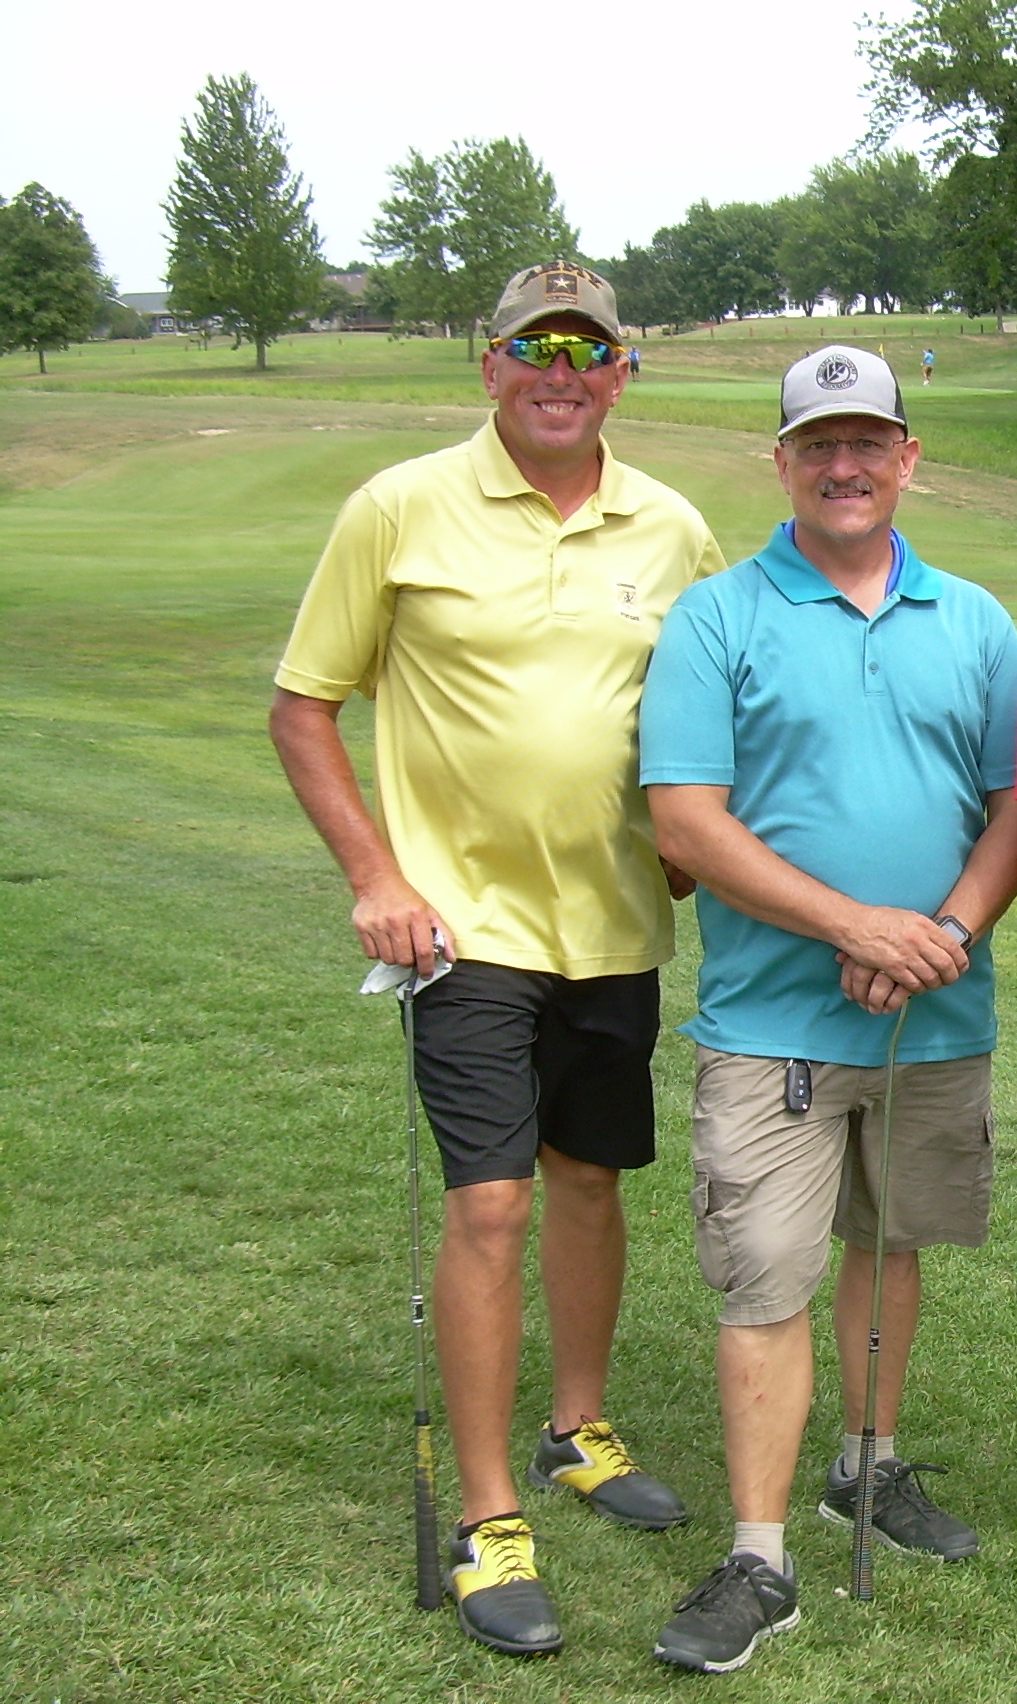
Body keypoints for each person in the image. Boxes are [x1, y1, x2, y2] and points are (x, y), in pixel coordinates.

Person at [270, 261, 725, 1656]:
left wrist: (701, 847)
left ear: (623, 373)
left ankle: (577, 1427)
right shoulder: (400, 507)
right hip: (459, 932)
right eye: (537, 344)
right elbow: (304, 708)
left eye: (590, 347)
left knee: (590, 1182)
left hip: (616, 928)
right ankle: (485, 1516)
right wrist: (375, 876)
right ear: (491, 363)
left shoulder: (675, 527)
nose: (562, 369)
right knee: (492, 1208)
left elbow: (717, 711)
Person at [638, 345, 1017, 1673]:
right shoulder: (721, 616)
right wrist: (852, 925)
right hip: (774, 1025)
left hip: (933, 1017)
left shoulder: (976, 622)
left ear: (908, 458)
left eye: (870, 442)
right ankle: (761, 1558)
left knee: (891, 1242)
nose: (847, 465)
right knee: (766, 1277)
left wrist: (940, 938)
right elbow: (686, 818)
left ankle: (868, 1464)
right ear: (785, 462)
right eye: (820, 444)